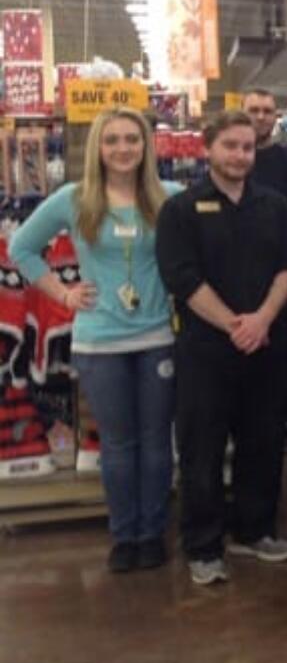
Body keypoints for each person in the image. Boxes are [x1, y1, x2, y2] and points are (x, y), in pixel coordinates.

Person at [11, 108, 178, 573]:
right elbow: (21, 247)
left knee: (156, 441)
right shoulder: (74, 198)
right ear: (98, 149)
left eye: (132, 139)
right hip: (99, 342)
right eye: (112, 141)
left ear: (146, 146)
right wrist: (62, 292)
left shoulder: (169, 198)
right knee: (119, 444)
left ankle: (152, 533)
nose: (122, 149)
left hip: (156, 338)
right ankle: (125, 536)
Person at [155, 110, 287, 586]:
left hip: (266, 345)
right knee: (202, 449)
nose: (240, 155)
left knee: (263, 442)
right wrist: (232, 324)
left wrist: (261, 321)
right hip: (205, 352)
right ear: (207, 149)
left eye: (247, 147)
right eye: (230, 146)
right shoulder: (181, 210)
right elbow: (182, 278)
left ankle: (255, 530)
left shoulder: (274, 205)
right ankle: (203, 545)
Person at [242, 88, 287, 455]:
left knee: (282, 354)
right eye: (254, 109)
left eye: (268, 110)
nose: (261, 116)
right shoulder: (228, 157)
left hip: (281, 277)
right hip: (235, 280)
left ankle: (285, 423)